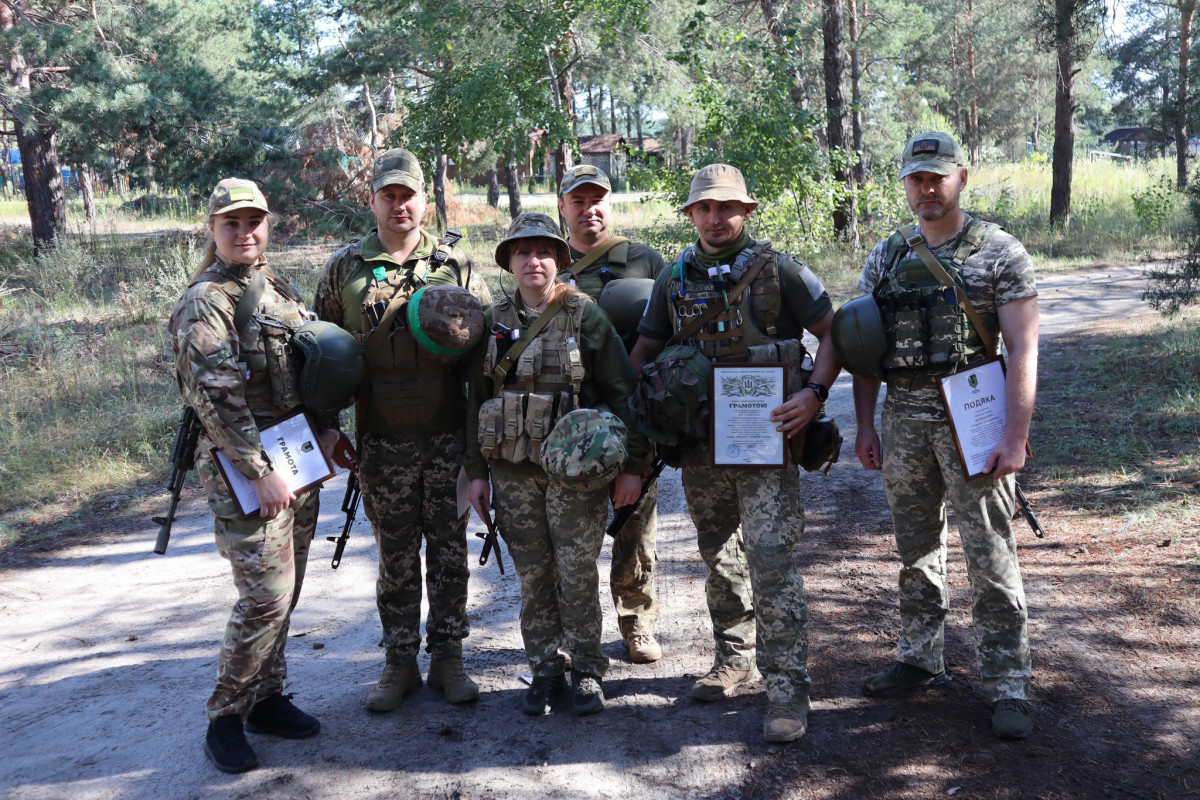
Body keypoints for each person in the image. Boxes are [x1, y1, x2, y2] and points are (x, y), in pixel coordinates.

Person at [629, 164, 840, 743]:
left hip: (766, 443)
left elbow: (833, 332)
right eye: (705, 208)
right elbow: (645, 350)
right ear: (691, 214)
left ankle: (788, 686)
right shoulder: (671, 280)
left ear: (746, 211)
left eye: (727, 208)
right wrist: (645, 415)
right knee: (719, 554)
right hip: (701, 449)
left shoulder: (781, 271)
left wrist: (813, 394)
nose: (716, 219)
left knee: (771, 556)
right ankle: (734, 656)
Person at [845, 132, 1038, 739]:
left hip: (973, 419)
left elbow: (1024, 349)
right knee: (915, 550)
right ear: (904, 183)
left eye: (937, 177)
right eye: (916, 178)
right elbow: (863, 349)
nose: (926, 188)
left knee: (990, 551)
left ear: (961, 177)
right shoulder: (885, 255)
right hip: (903, 421)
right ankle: (919, 656)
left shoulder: (1000, 252)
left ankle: (1008, 683)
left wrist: (1015, 435)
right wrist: (867, 425)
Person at [311, 148, 491, 713]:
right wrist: (325, 427)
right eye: (388, 195)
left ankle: (448, 658)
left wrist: (479, 449)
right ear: (373, 201)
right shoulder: (345, 268)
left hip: (446, 438)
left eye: (407, 194)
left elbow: (485, 357)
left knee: (448, 548)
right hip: (381, 439)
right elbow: (319, 357)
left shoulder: (456, 265)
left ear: (423, 200)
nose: (399, 205)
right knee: (394, 551)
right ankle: (398, 662)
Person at [168, 178, 336, 773]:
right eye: (231, 224)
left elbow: (308, 359)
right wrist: (259, 471)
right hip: (249, 467)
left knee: (286, 593)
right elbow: (215, 398)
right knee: (264, 597)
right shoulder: (205, 300)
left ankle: (267, 698)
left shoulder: (275, 285)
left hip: (294, 452)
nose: (244, 233)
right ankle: (226, 715)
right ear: (211, 230)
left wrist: (327, 429)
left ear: (268, 224)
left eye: (253, 221)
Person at [465, 213, 650, 717]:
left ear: (560, 260)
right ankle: (546, 669)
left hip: (575, 475)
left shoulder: (585, 316)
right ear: (509, 261)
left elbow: (621, 393)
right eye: (522, 252)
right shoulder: (492, 322)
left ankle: (587, 671)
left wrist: (631, 466)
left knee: (576, 570)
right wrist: (476, 474)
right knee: (533, 574)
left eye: (544, 251)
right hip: (511, 471)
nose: (533, 261)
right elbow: (476, 401)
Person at [556, 164, 668, 664]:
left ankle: (637, 621)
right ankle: (574, 628)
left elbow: (672, 331)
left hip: (632, 412)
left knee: (635, 522)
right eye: (577, 201)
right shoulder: (545, 262)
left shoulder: (643, 259)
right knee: (570, 528)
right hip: (569, 417)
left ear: (609, 202)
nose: (588, 209)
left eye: (596, 199)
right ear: (563, 209)